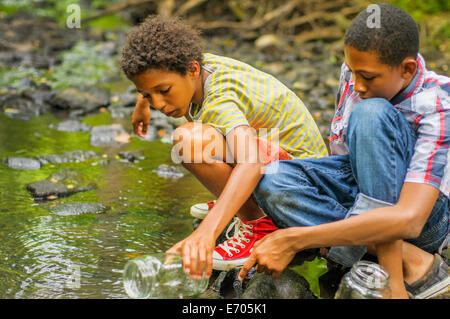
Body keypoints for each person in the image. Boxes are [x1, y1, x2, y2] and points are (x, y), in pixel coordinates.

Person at [238, 3, 449, 299]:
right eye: (352, 72)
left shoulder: (438, 103)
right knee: (271, 178)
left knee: (372, 113)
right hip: (361, 196)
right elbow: (345, 162)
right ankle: (405, 257)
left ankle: (389, 272)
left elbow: (410, 219)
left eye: (367, 77)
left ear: (407, 69)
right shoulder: (355, 74)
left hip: (422, 217)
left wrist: (296, 238)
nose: (357, 85)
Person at [119, 15, 328, 280]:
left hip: (302, 190)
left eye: (164, 91)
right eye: (150, 94)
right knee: (203, 132)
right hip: (291, 165)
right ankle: (239, 203)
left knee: (189, 142)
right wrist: (142, 103)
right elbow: (157, 76)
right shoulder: (195, 65)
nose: (159, 103)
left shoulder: (220, 99)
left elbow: (250, 162)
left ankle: (260, 225)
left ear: (192, 69)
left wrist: (207, 232)